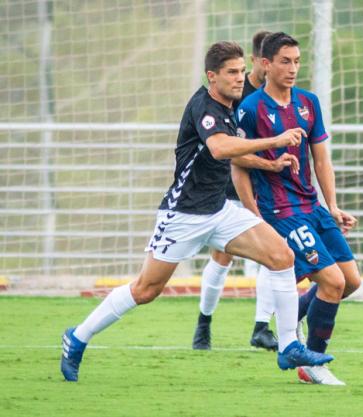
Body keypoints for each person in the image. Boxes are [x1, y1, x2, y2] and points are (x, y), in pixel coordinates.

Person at [60, 41, 334, 382]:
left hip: (219, 211)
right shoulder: (205, 106)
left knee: (281, 255)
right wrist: (274, 141)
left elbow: (235, 154)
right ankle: (78, 336)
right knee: (146, 290)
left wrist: (270, 163)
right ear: (212, 76)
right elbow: (220, 148)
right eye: (231, 73)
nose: (239, 78)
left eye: (240, 72)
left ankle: (289, 344)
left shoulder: (233, 102)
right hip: (184, 215)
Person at [232, 32, 362, 386]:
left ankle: (289, 319)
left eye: (297, 61)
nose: (293, 69)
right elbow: (237, 163)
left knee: (350, 282)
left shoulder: (308, 102)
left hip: (312, 205)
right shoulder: (250, 108)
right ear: (265, 64)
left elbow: (321, 160)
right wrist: (253, 214)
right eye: (285, 61)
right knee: (332, 282)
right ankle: (311, 363)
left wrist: (332, 206)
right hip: (281, 211)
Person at [192, 31, 287, 352]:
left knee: (274, 253)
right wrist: (270, 161)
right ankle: (204, 323)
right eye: (275, 62)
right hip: (229, 186)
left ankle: (262, 326)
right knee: (222, 259)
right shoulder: (234, 93)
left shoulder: (279, 94)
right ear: (261, 61)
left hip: (266, 188)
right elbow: (229, 150)